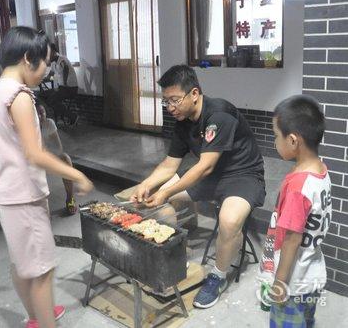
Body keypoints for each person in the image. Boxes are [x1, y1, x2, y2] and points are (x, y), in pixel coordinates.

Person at [130, 65, 266, 308]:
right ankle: (177, 254)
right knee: (160, 202)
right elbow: (169, 165)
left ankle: (218, 276)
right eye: (166, 101)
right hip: (212, 175)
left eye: (174, 100)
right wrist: (146, 184)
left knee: (229, 221)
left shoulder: (219, 114)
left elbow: (204, 167)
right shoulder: (182, 122)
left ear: (194, 93)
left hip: (243, 175)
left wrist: (165, 191)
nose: (170, 107)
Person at [0, 26, 93, 328]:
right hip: (25, 194)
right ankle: (42, 321)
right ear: (28, 58)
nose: (48, 70)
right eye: (46, 62)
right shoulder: (20, 96)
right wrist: (75, 172)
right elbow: (34, 154)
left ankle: (35, 317)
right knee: (42, 270)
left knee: (22, 264)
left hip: (7, 193)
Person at [258, 96, 331, 327]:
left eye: (276, 136)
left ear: (292, 140)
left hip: (294, 281)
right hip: (313, 272)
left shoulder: (298, 188)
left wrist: (280, 283)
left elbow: (291, 239)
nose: (274, 142)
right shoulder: (321, 172)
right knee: (306, 322)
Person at [37, 104, 77, 215]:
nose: (41, 116)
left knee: (65, 158)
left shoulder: (49, 123)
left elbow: (58, 147)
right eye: (38, 113)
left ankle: (70, 198)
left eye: (42, 112)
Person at [41, 43, 78, 125]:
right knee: (48, 96)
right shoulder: (54, 63)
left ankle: (71, 116)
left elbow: (66, 68)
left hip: (70, 88)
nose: (47, 57)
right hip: (63, 88)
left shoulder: (62, 59)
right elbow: (51, 74)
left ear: (53, 52)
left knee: (52, 100)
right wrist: (41, 79)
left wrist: (64, 83)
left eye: (48, 54)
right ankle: (64, 115)